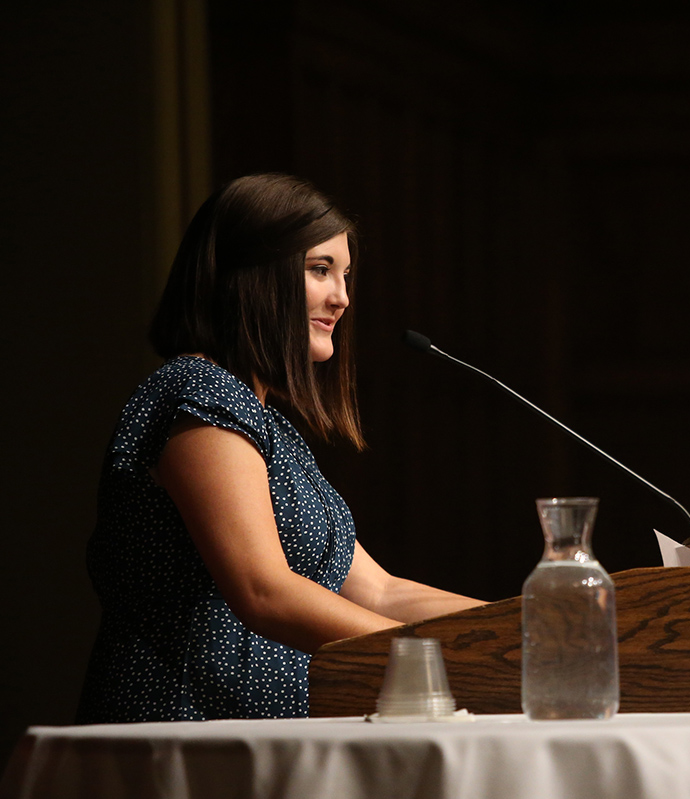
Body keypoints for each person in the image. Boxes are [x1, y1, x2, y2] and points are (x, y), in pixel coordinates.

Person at [77, 174, 484, 723]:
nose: (342, 297)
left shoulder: (268, 425)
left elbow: (381, 592)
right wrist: (455, 655)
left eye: (345, 275)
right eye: (320, 270)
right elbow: (263, 590)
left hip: (261, 741)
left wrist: (529, 622)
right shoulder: (201, 395)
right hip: (185, 734)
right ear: (251, 274)